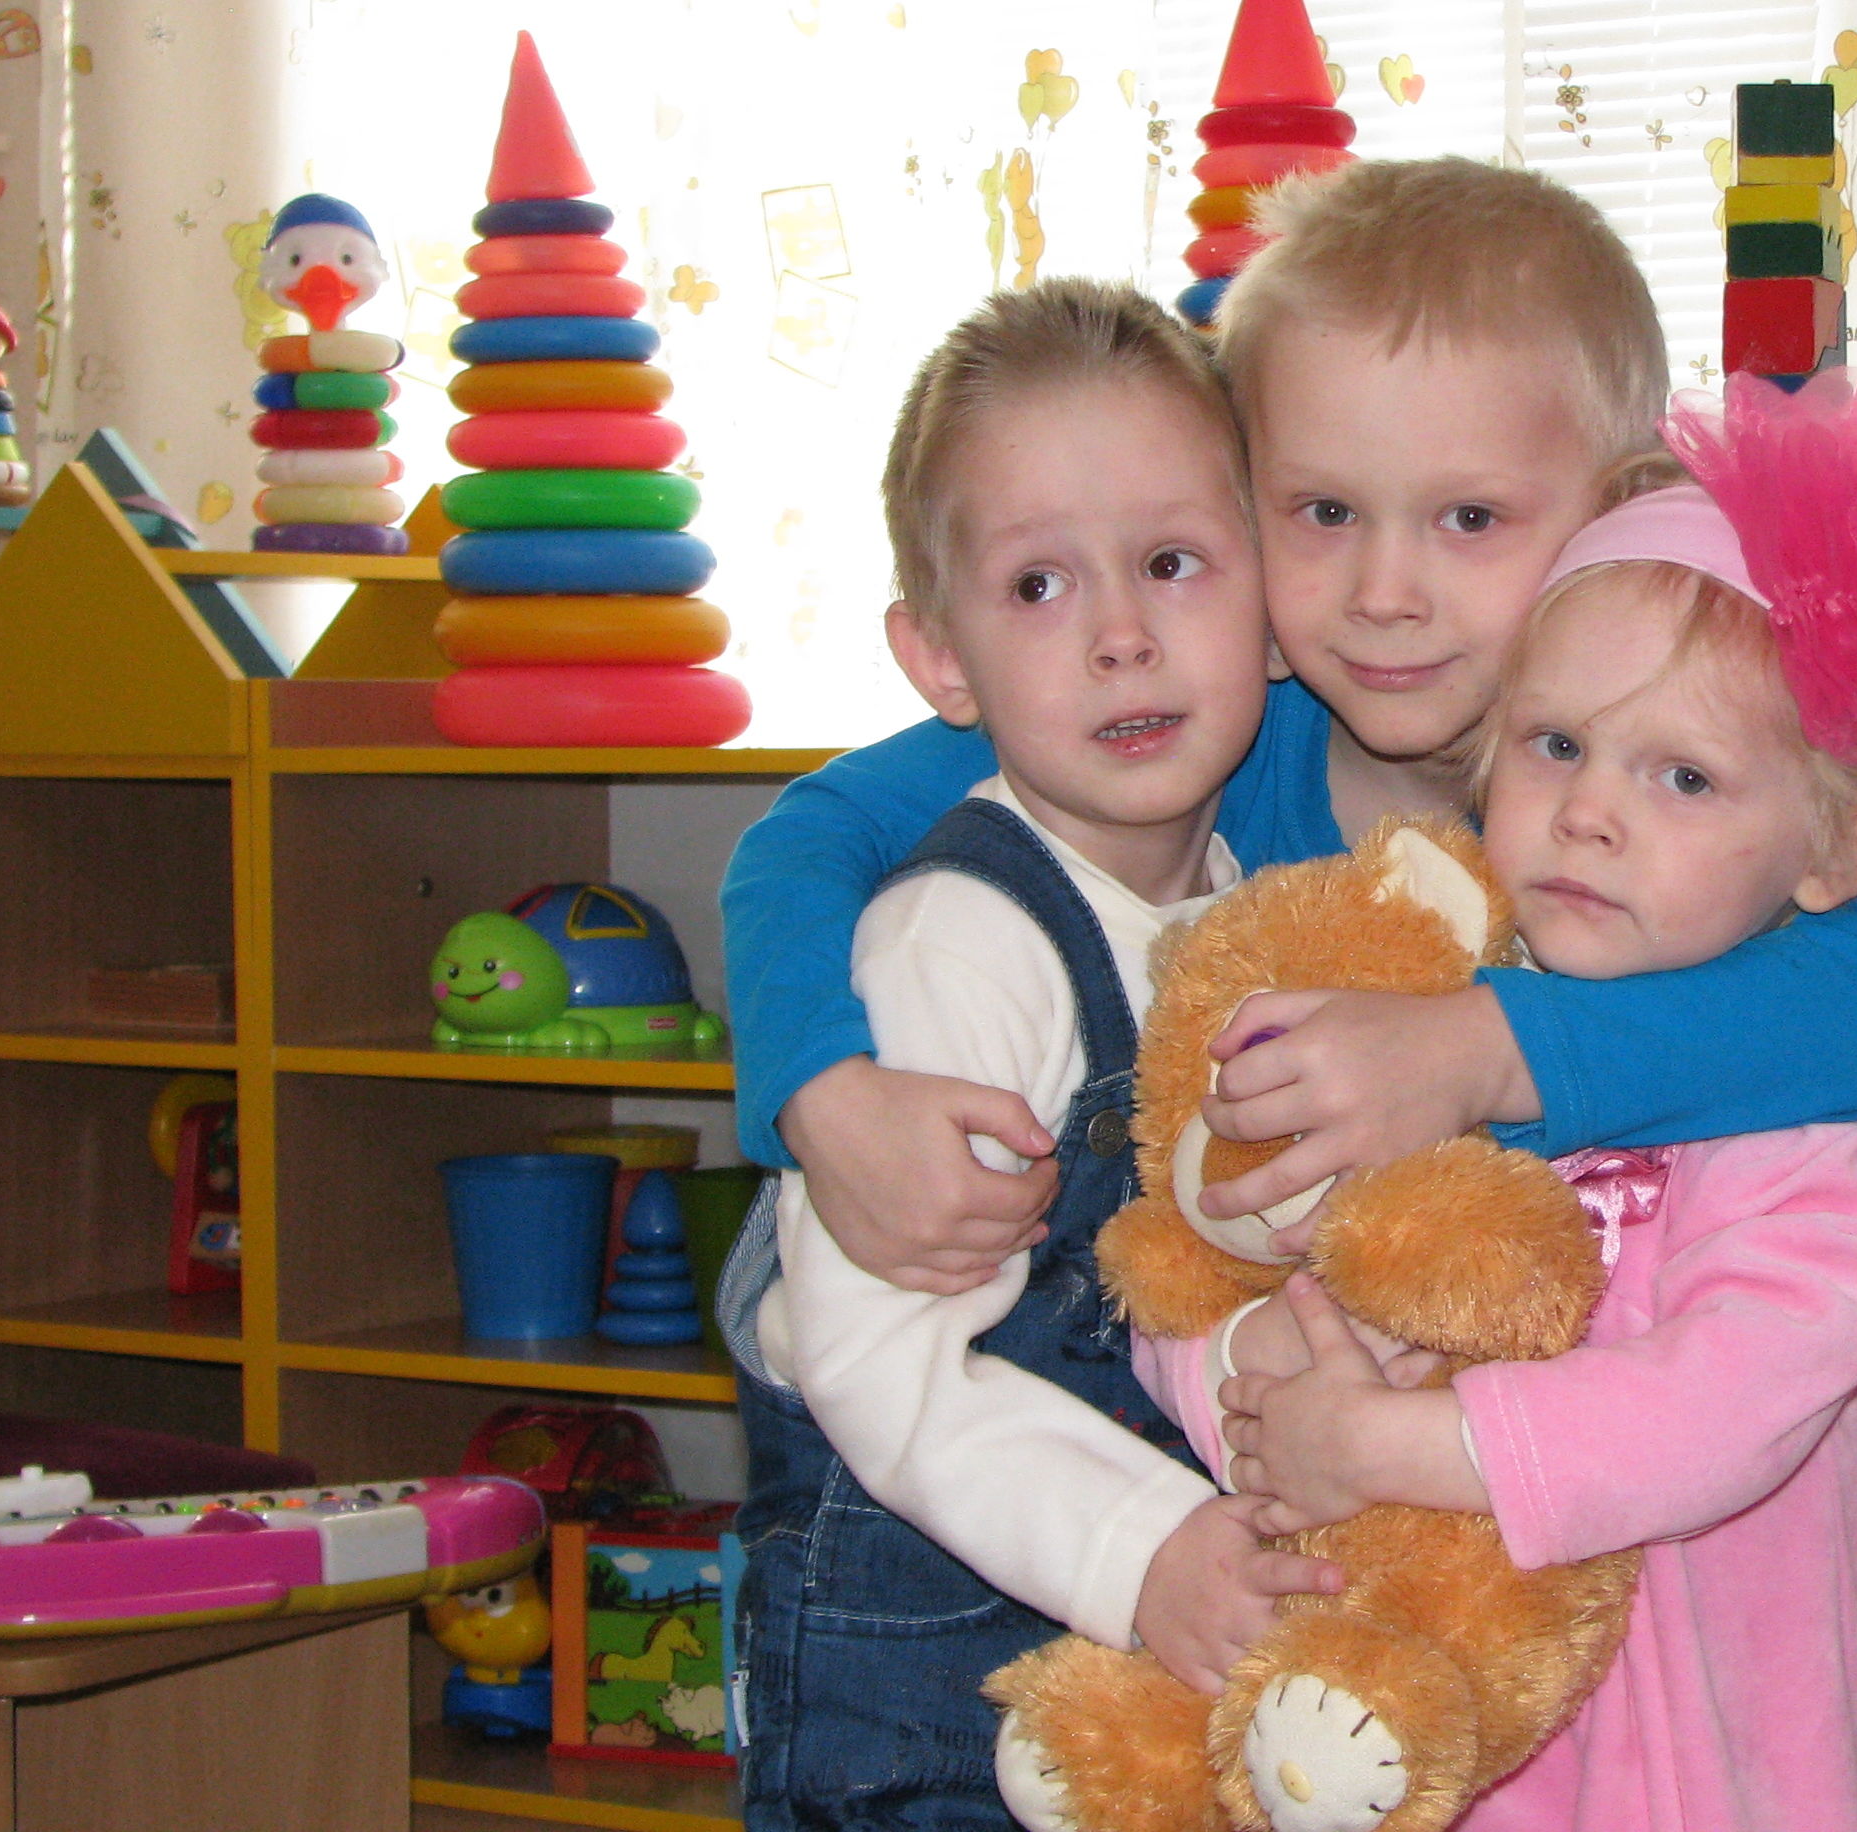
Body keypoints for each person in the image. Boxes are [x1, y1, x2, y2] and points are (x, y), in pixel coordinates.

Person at [718, 158, 1857, 1313]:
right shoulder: (1205, 722)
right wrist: (823, 1095)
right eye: (1322, 511)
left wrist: (1487, 1051)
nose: (1383, 592)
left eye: (1468, 518)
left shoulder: (1681, 768)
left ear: (1616, 508)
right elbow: (812, 836)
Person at [1163, 370, 1857, 1832]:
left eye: (1685, 777)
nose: (1592, 811)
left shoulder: (1834, 1145)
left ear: (1835, 853)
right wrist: (1261, 1375)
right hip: (1423, 1745)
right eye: (1556, 747)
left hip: (1713, 1784)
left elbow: (1715, 1414)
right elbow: (1212, 1252)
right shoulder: (1419, 1026)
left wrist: (1392, 1445)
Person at [716, 281, 1341, 1830]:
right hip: (927, 1702)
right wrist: (1145, 1550)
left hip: (1138, 1678)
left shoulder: (1242, 919)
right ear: (941, 659)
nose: (1122, 635)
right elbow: (879, 1361)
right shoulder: (959, 942)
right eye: (1039, 585)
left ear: (1271, 600)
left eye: (1172, 563)